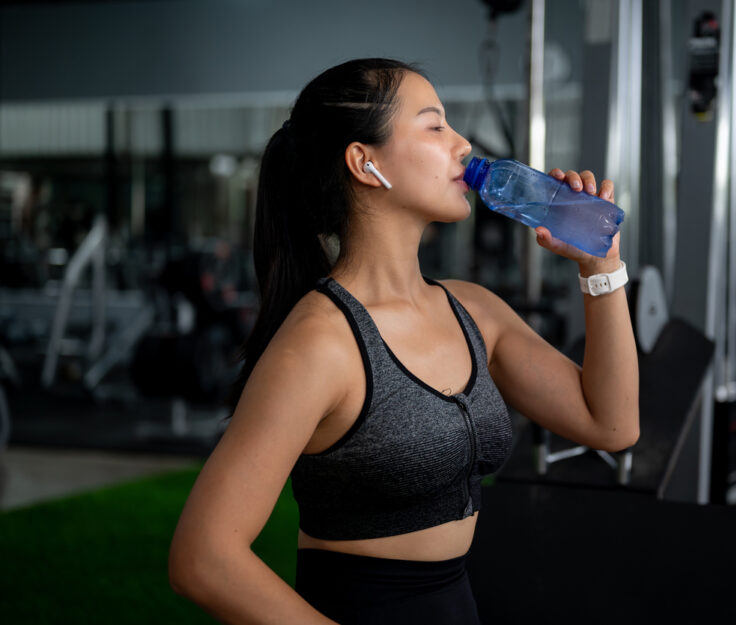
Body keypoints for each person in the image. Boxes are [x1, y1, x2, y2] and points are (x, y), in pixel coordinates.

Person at [168, 58, 639, 625]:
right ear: (365, 163)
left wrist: (600, 268)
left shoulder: (473, 310)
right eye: (435, 126)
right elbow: (203, 557)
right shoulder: (320, 344)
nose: (463, 145)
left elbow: (611, 425)